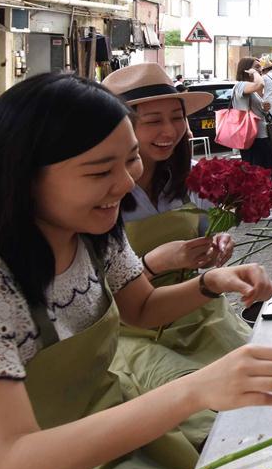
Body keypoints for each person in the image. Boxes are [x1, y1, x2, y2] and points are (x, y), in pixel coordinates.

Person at [0, 73, 272, 469]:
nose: (124, 183)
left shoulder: (93, 225)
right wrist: (194, 391)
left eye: (130, 161)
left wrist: (209, 282)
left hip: (107, 430)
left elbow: (140, 307)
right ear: (23, 173)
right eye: (100, 170)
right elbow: (9, 467)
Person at [102, 63, 254, 447]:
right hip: (135, 333)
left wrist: (217, 245)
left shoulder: (189, 178)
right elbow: (90, 297)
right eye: (152, 120)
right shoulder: (100, 196)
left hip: (199, 314)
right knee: (198, 418)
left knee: (258, 387)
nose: (168, 132)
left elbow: (206, 234)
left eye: (176, 118)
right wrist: (156, 263)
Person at [233, 57, 272, 211]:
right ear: (246, 69)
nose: (260, 70)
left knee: (266, 172)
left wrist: (264, 108)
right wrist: (255, 73)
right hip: (253, 138)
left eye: (260, 68)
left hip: (259, 136)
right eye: (256, 67)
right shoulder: (241, 85)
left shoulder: (250, 88)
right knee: (260, 174)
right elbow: (260, 83)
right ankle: (262, 210)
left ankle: (264, 208)